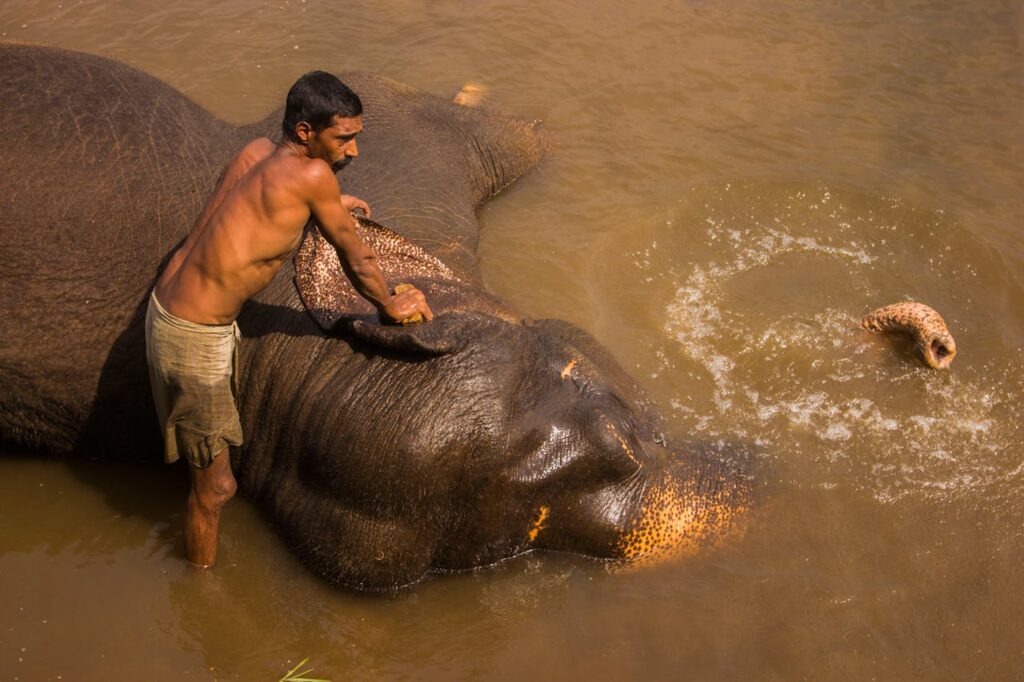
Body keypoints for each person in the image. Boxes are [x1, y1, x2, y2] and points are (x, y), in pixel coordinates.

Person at [145, 70, 433, 568]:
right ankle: (199, 597)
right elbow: (358, 257)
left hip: (165, 311)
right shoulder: (313, 177)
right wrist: (389, 303)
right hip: (195, 340)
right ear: (305, 133)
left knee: (209, 476)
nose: (353, 151)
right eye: (343, 138)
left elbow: (247, 207)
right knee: (215, 490)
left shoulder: (254, 153)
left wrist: (324, 205)